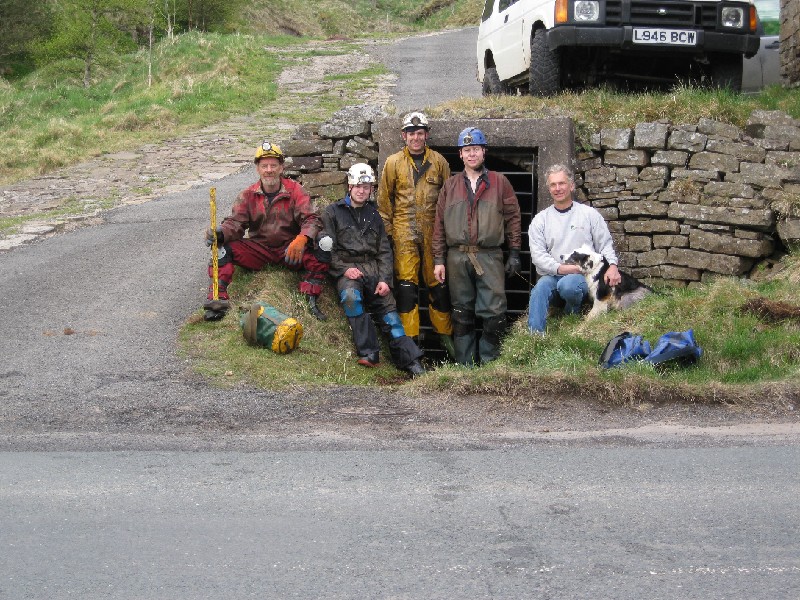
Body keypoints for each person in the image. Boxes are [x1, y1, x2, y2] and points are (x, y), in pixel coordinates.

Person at [203, 140, 328, 322]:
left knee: (324, 245)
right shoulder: (247, 195)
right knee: (222, 248)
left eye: (273, 165)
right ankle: (217, 300)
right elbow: (236, 223)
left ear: (281, 168)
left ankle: (310, 295)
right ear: (257, 169)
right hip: (259, 251)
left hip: (290, 250)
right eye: (264, 166)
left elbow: (312, 218)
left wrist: (303, 238)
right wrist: (220, 233)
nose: (269, 170)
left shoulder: (296, 190)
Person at [320, 163, 425, 376]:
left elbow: (385, 252)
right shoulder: (332, 213)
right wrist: (342, 270)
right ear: (349, 186)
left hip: (374, 270)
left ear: (371, 189)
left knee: (391, 318)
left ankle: (410, 362)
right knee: (351, 297)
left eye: (366, 187)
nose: (361, 190)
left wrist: (385, 280)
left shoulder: (375, 216)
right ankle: (369, 352)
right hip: (348, 269)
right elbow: (325, 248)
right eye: (357, 185)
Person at [432, 127, 522, 366]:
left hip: (489, 256)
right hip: (456, 257)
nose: (471, 154)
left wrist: (514, 252)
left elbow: (513, 218)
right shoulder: (450, 186)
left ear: (484, 151)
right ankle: (466, 365)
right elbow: (439, 224)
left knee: (494, 314)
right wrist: (439, 260)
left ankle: (489, 363)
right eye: (466, 150)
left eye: (476, 149)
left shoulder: (500, 182)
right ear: (460, 154)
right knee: (461, 313)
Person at [377, 111, 454, 358]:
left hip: (433, 235)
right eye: (411, 133)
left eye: (420, 133)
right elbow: (384, 203)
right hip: (403, 235)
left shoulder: (440, 162)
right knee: (406, 290)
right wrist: (389, 236)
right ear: (404, 135)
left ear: (426, 134)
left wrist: (445, 235)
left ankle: (446, 343)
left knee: (439, 289)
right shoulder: (392, 163)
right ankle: (409, 347)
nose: (416, 138)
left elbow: (448, 201)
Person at [527, 163, 621, 333]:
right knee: (539, 290)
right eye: (553, 185)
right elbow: (538, 256)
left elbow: (605, 244)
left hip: (583, 277)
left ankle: (572, 316)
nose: (558, 188)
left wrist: (613, 266)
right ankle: (534, 335)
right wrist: (561, 268)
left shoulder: (589, 214)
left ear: (571, 185)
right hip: (554, 274)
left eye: (561, 183)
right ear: (549, 188)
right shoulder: (540, 220)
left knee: (569, 285)